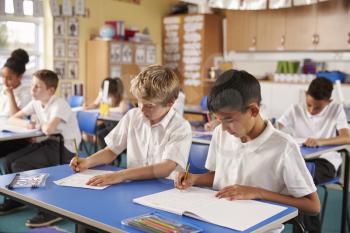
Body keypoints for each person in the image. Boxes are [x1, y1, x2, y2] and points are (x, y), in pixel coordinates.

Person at [175, 69, 320, 233]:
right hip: (218, 220)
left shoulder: (284, 147)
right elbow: (219, 176)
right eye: (219, 120)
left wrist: (257, 193)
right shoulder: (221, 133)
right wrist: (194, 178)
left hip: (260, 227)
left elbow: (313, 206)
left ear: (253, 110)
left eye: (229, 119)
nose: (223, 127)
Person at [71, 65, 192, 233]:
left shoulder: (180, 127)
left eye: (149, 105)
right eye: (139, 102)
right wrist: (87, 161)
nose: (142, 109)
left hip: (165, 195)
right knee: (87, 221)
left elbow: (165, 168)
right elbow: (112, 150)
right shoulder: (133, 116)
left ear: (170, 103)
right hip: (132, 189)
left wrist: (119, 175)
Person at [0, 69, 81, 228]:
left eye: (37, 87)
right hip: (51, 142)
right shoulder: (36, 103)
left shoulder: (59, 104)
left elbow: (49, 129)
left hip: (67, 149)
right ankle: (16, 199)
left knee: (20, 165)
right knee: (7, 160)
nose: (32, 89)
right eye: (32, 85)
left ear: (50, 90)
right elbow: (13, 118)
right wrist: (30, 124)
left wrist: (38, 125)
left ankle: (49, 209)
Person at [278, 77, 350, 232]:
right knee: (291, 177)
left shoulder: (336, 109)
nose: (311, 110)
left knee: (301, 181)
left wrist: (319, 141)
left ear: (328, 102)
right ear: (305, 94)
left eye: (317, 108)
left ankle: (305, 229)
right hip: (301, 161)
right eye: (309, 104)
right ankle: (302, 227)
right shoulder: (295, 108)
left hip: (326, 162)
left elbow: (346, 138)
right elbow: (276, 127)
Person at [0, 49, 32, 159]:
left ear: (20, 77)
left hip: (17, 138)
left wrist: (10, 94)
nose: (4, 81)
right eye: (3, 76)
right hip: (4, 133)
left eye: (9, 78)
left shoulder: (27, 93)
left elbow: (17, 116)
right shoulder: (3, 90)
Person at [83, 77, 128, 148]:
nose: (102, 92)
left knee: (101, 134)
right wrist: (88, 106)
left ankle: (108, 152)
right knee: (97, 129)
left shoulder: (120, 96)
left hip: (118, 124)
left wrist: (108, 109)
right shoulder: (103, 94)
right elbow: (96, 103)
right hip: (108, 122)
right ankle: (102, 148)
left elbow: (122, 109)